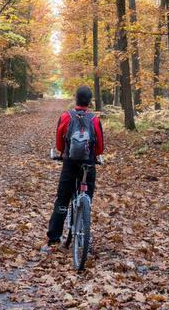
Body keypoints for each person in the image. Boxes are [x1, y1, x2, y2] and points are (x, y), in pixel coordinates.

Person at [46, 85, 105, 247]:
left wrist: (63, 152)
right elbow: (100, 148)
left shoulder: (66, 116)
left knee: (63, 200)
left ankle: (53, 238)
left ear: (75, 99)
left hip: (70, 163)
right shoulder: (94, 119)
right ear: (90, 101)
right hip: (88, 164)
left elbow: (59, 143)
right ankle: (83, 227)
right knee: (87, 196)